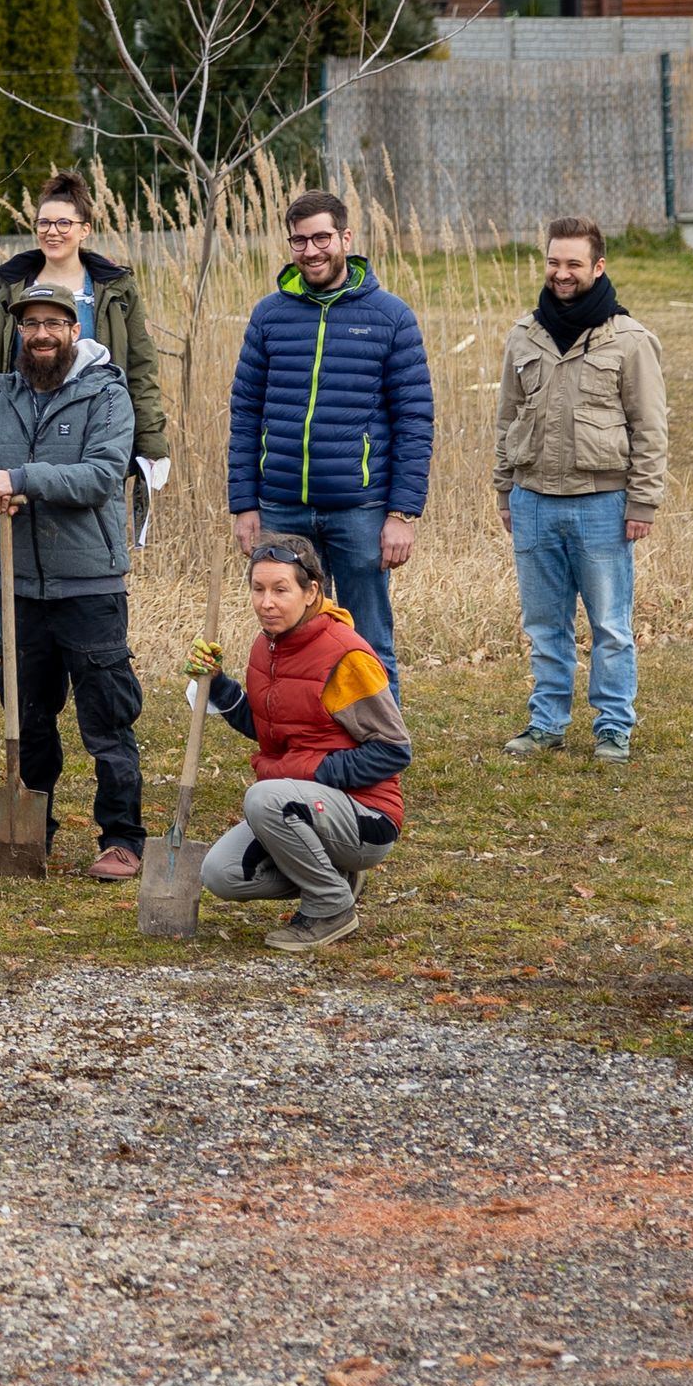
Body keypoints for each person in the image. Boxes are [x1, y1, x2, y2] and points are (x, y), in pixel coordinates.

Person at [0, 176, 166, 698]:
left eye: (63, 222)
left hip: (88, 428)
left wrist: (151, 442)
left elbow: (140, 365)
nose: (53, 231)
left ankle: (89, 650)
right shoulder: (9, 284)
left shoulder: (113, 287)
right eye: (44, 222)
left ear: (84, 229)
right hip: (17, 425)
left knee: (86, 538)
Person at [0, 285, 147, 883]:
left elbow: (101, 476)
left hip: (89, 585)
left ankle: (121, 839)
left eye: (53, 323)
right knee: (27, 718)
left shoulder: (107, 394)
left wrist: (20, 479)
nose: (41, 334)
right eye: (30, 324)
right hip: (21, 586)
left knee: (107, 720)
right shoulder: (3, 395)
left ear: (75, 329)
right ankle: (30, 831)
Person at [228, 190, 434, 689]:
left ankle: (377, 734)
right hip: (281, 506)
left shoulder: (390, 316)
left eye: (322, 238)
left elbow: (414, 419)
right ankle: (298, 730)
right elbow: (245, 413)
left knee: (368, 640)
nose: (311, 250)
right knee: (288, 636)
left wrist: (402, 513)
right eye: (299, 241)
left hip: (359, 509)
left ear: (345, 238)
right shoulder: (270, 316)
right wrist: (244, 504)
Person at [495, 217, 669, 763]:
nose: (562, 273)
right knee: (545, 626)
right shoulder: (524, 335)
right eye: (554, 262)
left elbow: (650, 428)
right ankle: (546, 723)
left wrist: (643, 501)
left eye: (574, 263)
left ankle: (613, 727)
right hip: (533, 502)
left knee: (610, 626)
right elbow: (506, 419)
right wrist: (504, 491)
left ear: (598, 266)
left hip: (603, 505)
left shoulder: (630, 340)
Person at [189, 533, 411, 952]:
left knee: (264, 798)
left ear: (311, 592)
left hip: (367, 816)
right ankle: (335, 880)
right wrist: (217, 685)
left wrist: (312, 771)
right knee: (221, 873)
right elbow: (270, 726)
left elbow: (393, 750)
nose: (266, 603)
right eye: (258, 589)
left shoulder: (345, 657)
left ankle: (330, 909)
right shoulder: (267, 646)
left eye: (280, 590)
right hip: (304, 805)